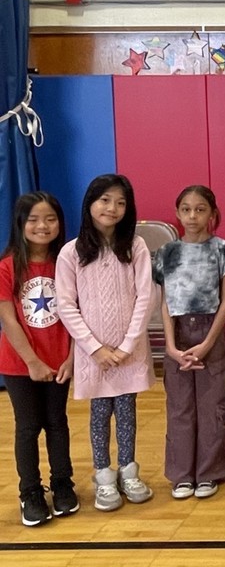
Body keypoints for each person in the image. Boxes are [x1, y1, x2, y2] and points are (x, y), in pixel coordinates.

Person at [55, 174, 156, 512]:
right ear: (90, 203)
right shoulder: (71, 252)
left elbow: (146, 296)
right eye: (105, 200)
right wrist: (95, 348)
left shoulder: (136, 246)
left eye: (121, 202)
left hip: (129, 351)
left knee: (127, 413)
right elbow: (66, 304)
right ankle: (103, 475)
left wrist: (126, 346)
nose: (112, 208)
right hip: (92, 354)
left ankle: (128, 471)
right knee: (99, 415)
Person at [153, 185, 225, 500]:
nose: (193, 215)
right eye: (186, 209)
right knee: (179, 407)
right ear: (177, 213)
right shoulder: (167, 253)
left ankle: (209, 471)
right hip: (176, 333)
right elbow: (164, 303)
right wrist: (170, 347)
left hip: (210, 333)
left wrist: (206, 343)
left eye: (200, 209)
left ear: (212, 214)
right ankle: (181, 474)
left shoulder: (224, 250)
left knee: (211, 404)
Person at [0, 192, 77, 526]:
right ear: (20, 224)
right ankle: (30, 492)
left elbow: (77, 315)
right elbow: (9, 320)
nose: (42, 226)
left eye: (49, 218)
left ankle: (63, 483)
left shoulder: (68, 262)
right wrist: (32, 361)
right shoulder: (7, 266)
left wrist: (73, 358)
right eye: (33, 219)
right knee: (28, 427)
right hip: (20, 364)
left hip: (60, 361)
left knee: (57, 423)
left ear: (60, 223)